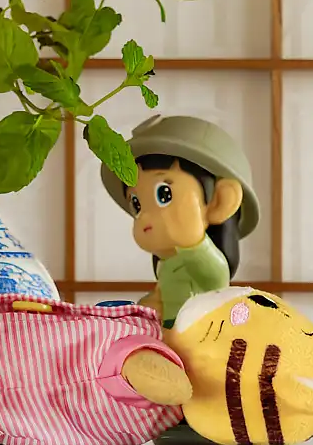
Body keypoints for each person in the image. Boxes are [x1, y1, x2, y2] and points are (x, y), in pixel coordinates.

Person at [100, 115, 259, 327]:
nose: (145, 216)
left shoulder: (207, 264)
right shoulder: (167, 266)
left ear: (219, 201)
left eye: (164, 194)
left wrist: (196, 246)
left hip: (205, 335)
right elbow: (161, 297)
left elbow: (216, 277)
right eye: (136, 205)